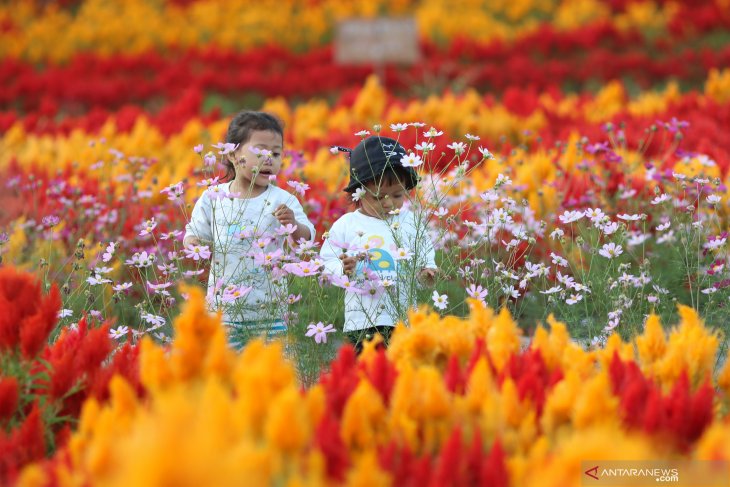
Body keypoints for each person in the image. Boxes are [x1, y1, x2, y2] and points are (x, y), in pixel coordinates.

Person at [184, 110, 315, 347]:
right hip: (225, 312)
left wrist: (293, 225)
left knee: (269, 373)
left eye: (275, 153)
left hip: (271, 310)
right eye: (260, 151)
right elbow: (194, 233)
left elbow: (306, 238)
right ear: (233, 155)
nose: (269, 159)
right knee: (227, 372)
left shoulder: (283, 200)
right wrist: (193, 244)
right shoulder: (213, 197)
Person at [320, 135, 438, 354]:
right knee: (367, 372)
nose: (388, 203)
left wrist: (426, 272)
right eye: (378, 196)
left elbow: (425, 255)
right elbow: (327, 262)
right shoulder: (347, 224)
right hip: (362, 319)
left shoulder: (410, 221)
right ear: (358, 193)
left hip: (404, 317)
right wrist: (344, 269)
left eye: (397, 195)